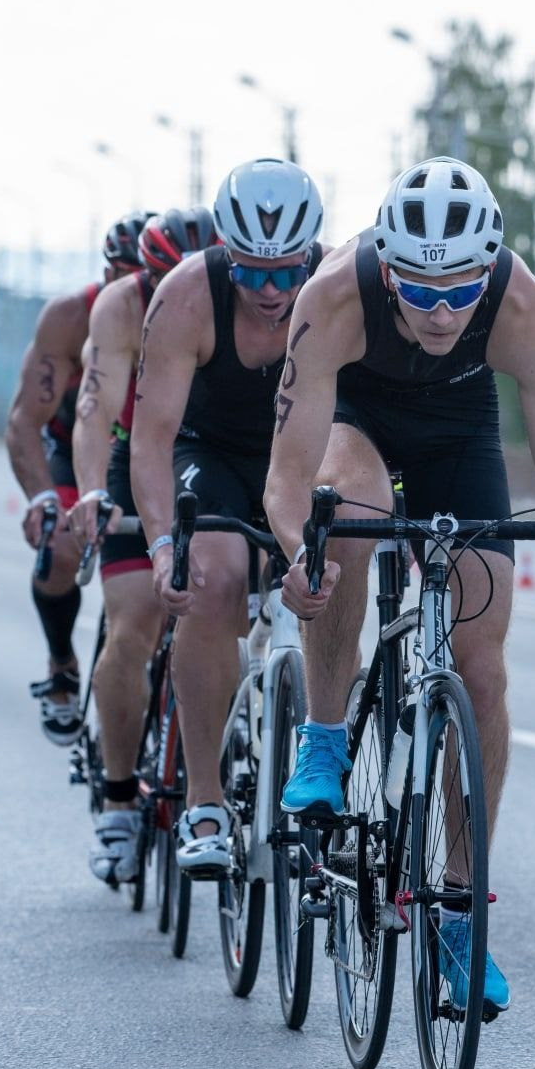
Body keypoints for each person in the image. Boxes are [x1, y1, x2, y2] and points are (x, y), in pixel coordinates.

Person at [263, 156, 535, 1014]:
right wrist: (296, 553)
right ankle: (326, 737)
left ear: (490, 266)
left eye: (462, 289)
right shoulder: (337, 294)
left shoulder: (526, 308)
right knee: (341, 515)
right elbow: (286, 475)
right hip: (361, 422)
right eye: (419, 292)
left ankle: (459, 914)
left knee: (482, 671)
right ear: (389, 268)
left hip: (460, 434)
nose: (444, 309)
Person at [130, 157, 328, 875]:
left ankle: (321, 759)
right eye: (253, 274)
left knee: (331, 579)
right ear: (227, 257)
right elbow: (150, 441)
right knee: (212, 581)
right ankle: (206, 801)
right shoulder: (187, 297)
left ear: (311, 256)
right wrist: (161, 548)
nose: (272, 293)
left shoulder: (334, 291)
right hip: (207, 452)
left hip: (299, 457)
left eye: (288, 273)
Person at [69, 208, 222, 885]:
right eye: (160, 276)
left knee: (226, 612)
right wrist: (89, 493)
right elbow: (95, 412)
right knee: (132, 624)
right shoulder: (120, 309)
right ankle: (121, 799)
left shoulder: (237, 298)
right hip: (137, 461)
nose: (175, 288)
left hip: (216, 456)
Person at [5, 211, 154, 745]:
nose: (138, 292)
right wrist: (42, 497)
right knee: (63, 546)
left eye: (153, 278)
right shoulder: (71, 318)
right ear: (107, 273)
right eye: (125, 276)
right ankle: (63, 662)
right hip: (77, 449)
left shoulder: (189, 310)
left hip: (151, 454)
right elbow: (25, 420)